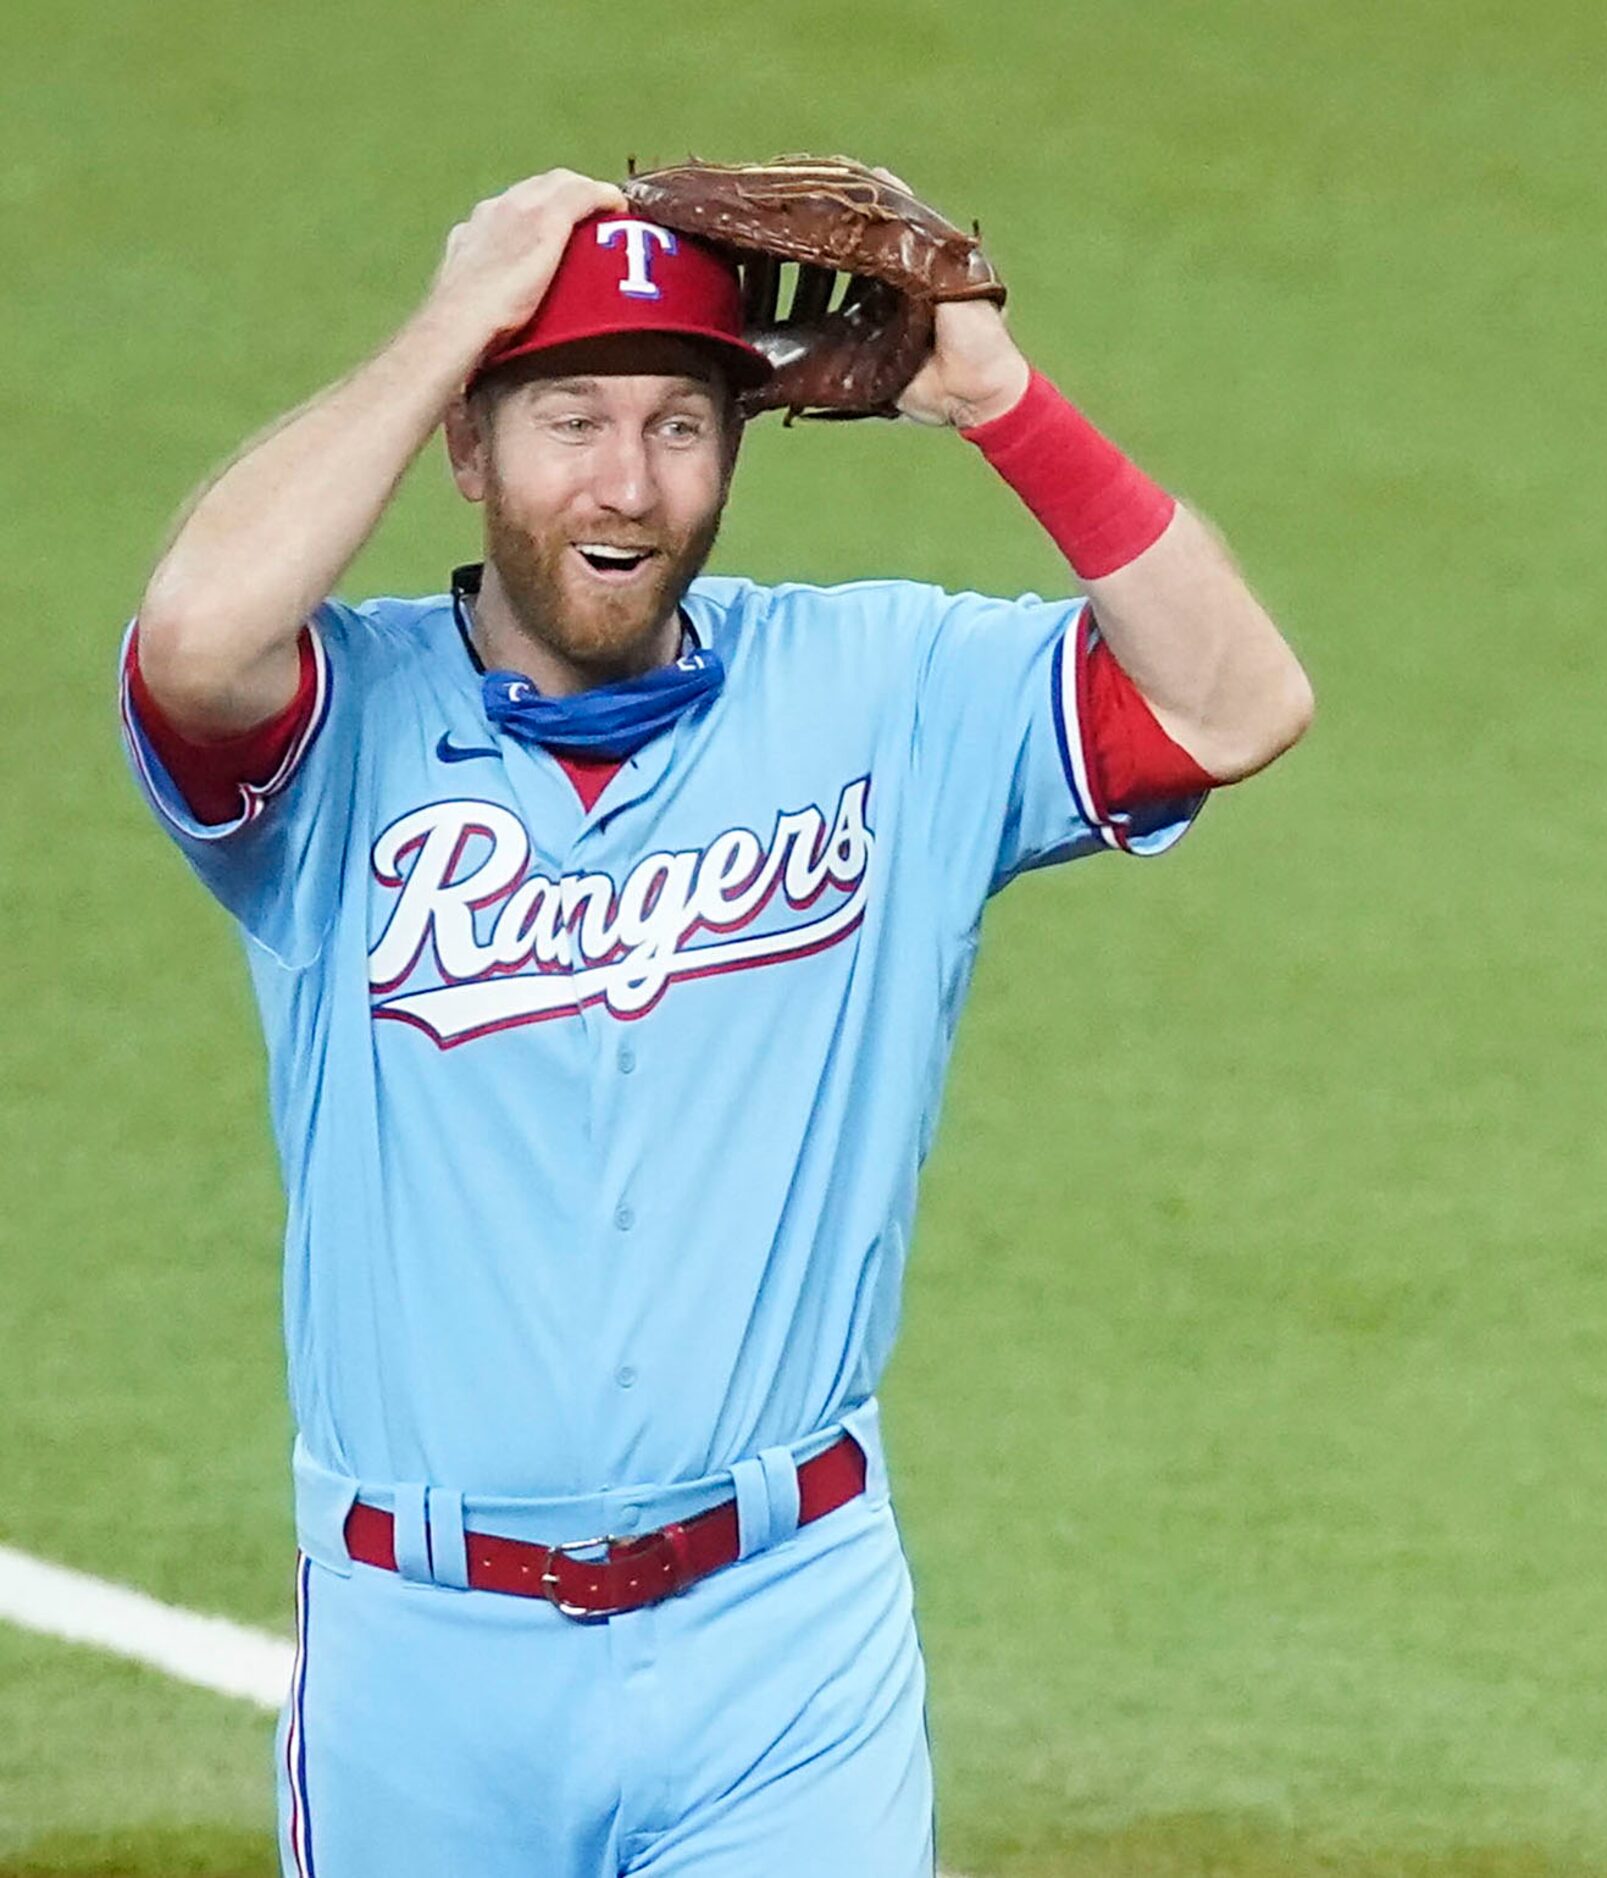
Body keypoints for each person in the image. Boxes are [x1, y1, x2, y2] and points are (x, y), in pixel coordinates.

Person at [121, 168, 1312, 1876]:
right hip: (426, 1670)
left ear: (743, 444)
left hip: (784, 1648)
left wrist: (994, 395)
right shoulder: (335, 729)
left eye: (683, 423)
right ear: (469, 445)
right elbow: (193, 632)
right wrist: (454, 318)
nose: (627, 483)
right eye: (568, 417)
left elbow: (1239, 696)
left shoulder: (888, 694)